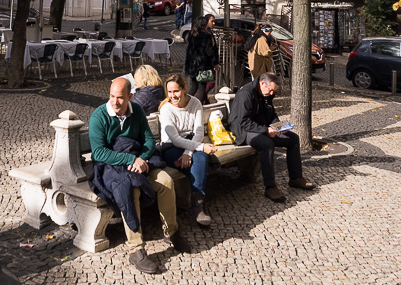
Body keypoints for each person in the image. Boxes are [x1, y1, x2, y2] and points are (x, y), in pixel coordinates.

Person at [88, 77, 191, 274]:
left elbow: (149, 140)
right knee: (130, 190)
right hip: (110, 167)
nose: (115, 102)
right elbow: (99, 153)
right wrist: (129, 160)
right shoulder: (99, 116)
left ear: (130, 96)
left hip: (138, 162)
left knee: (166, 181)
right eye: (111, 96)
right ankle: (136, 249)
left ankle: (172, 232)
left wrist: (142, 160)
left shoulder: (137, 112)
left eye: (120, 98)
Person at [228, 72, 315, 203]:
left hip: (261, 128)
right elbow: (243, 122)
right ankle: (270, 187)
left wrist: (279, 126)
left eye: (273, 91)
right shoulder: (245, 94)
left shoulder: (266, 93)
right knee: (267, 144)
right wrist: (266, 130)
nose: (272, 94)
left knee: (293, 139)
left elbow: (271, 114)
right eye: (270, 90)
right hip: (243, 131)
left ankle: (295, 178)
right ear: (262, 83)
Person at [159, 73, 217, 226]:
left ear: (184, 89)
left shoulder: (196, 103)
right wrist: (201, 147)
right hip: (171, 147)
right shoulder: (166, 109)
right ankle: (194, 204)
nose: (173, 96)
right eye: (169, 92)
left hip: (190, 144)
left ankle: (197, 204)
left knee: (202, 158)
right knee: (199, 159)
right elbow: (175, 139)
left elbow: (198, 132)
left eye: (176, 91)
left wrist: (187, 153)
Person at [184, 14, 219, 104]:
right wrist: (213, 46)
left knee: (194, 87)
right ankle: (198, 106)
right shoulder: (205, 35)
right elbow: (209, 52)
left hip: (192, 66)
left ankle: (186, 103)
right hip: (202, 65)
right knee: (202, 88)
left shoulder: (192, 34)